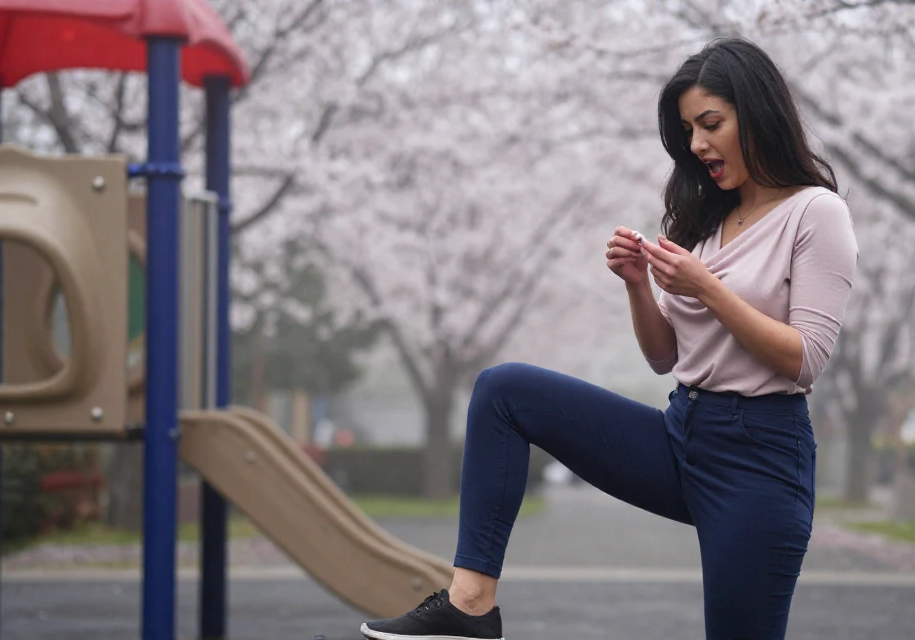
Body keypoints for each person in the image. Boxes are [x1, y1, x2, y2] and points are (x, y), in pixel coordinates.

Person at [359, 36, 859, 640]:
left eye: (711, 125)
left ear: (757, 114)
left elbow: (805, 359)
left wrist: (706, 288)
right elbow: (665, 357)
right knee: (504, 392)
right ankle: (469, 607)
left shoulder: (816, 213)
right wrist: (637, 285)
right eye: (688, 131)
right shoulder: (709, 220)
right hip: (682, 433)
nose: (697, 145)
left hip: (760, 460)